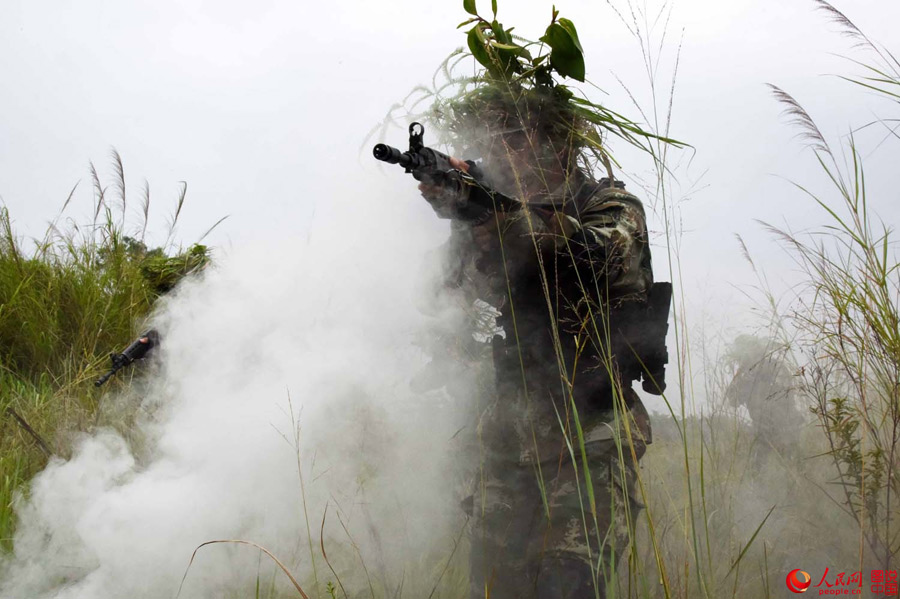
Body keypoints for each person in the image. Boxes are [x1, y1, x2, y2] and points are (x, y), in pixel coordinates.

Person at [415, 86, 660, 598]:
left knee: (567, 585)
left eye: (516, 138)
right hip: (508, 441)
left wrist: (500, 217)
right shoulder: (492, 214)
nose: (504, 152)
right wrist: (466, 216)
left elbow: (601, 257)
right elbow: (441, 294)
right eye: (495, 140)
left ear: (559, 143)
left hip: (592, 434)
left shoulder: (607, 204)